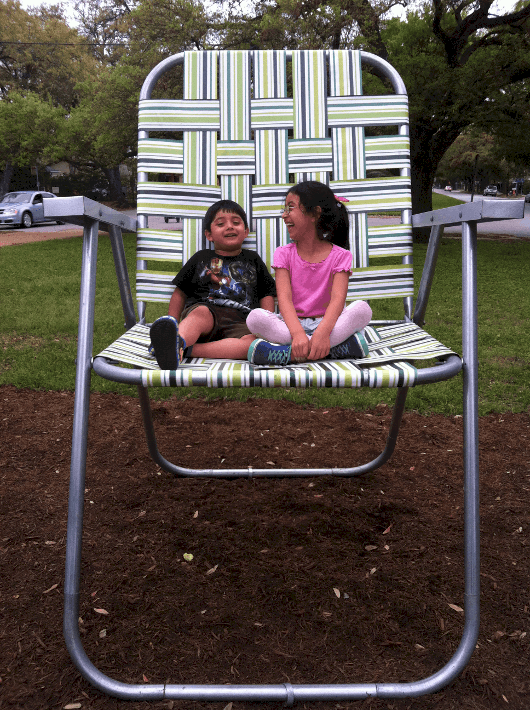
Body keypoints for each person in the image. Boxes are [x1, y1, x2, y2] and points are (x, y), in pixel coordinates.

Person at [246, 180, 372, 366]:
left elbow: (338, 300)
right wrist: (297, 334)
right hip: (291, 326)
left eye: (290, 208)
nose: (284, 215)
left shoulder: (341, 256)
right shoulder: (283, 253)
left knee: (363, 309)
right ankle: (333, 350)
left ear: (314, 213)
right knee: (255, 317)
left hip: (328, 325)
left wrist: (322, 333)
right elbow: (284, 299)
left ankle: (289, 354)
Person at [149, 199, 276, 369]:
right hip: (208, 313)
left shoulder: (253, 259)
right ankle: (176, 339)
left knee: (253, 344)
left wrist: (265, 323)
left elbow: (265, 293)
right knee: (199, 314)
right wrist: (172, 322)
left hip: (243, 322)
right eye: (221, 224)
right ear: (209, 234)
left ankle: (183, 349)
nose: (230, 226)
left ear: (245, 232)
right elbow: (180, 292)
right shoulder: (200, 258)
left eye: (236, 222)